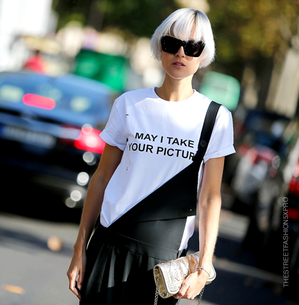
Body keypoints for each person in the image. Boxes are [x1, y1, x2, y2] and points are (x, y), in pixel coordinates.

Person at [67, 8, 235, 305]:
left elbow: (210, 198)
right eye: (172, 44)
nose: (181, 53)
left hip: (163, 261)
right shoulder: (129, 104)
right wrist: (80, 246)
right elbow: (102, 177)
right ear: (160, 46)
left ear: (203, 53)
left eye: (192, 46)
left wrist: (204, 267)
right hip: (109, 244)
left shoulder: (216, 118)